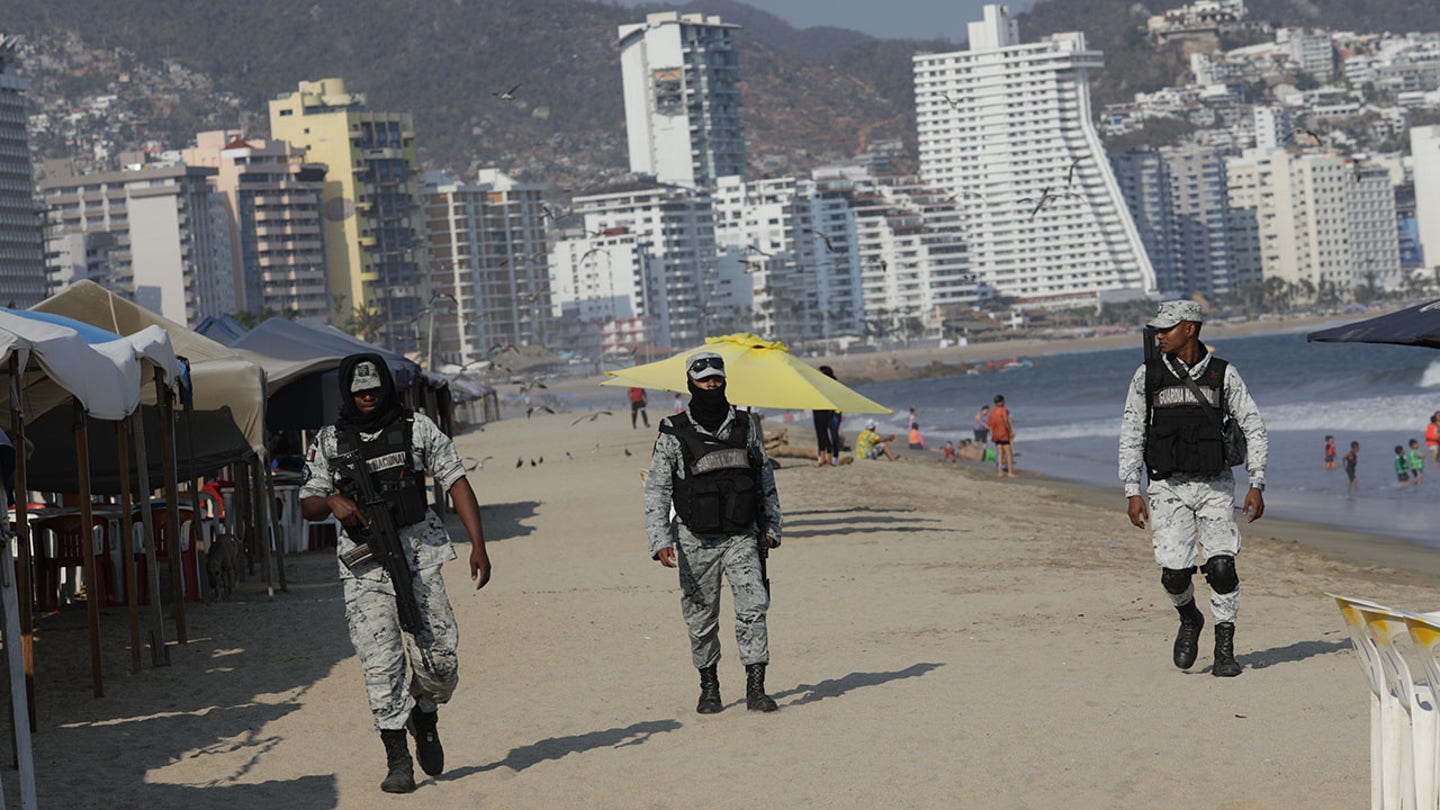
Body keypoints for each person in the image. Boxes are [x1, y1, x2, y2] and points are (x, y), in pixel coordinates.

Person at [300, 354, 491, 793]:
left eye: (373, 389)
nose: (367, 397)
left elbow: (456, 480)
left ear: (385, 387)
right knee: (380, 664)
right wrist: (331, 501)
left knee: (441, 661)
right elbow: (307, 502)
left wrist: (478, 544)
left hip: (420, 554)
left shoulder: (416, 428)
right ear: (347, 392)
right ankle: (397, 759)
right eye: (358, 391)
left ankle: (425, 714)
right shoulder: (330, 441)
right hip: (364, 567)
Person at [1119, 301, 1268, 679]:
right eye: (1156, 330)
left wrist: (1257, 482)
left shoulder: (1223, 374)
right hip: (1166, 486)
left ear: (1190, 328)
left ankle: (1224, 646)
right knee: (1175, 575)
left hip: (1215, 485)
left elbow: (1253, 425)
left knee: (1221, 566)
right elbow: (1132, 430)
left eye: (1166, 329)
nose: (1159, 336)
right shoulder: (1147, 376)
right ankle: (1190, 618)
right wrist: (1130, 488)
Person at [644, 351, 783, 715]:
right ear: (690, 382)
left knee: (753, 608)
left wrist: (772, 525)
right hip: (694, 539)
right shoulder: (673, 431)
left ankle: (756, 688)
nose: (711, 385)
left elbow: (763, 476)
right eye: (704, 380)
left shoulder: (745, 425)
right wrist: (659, 540)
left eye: (716, 380)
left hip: (742, 535)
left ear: (724, 381)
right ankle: (709, 687)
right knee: (701, 617)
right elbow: (657, 488)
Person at [812, 366, 838, 468]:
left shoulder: (830, 383)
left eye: (819, 372)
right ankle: (821, 458)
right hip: (816, 409)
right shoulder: (817, 382)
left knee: (824, 434)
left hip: (825, 410)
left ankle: (829, 458)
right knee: (819, 433)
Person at [988, 395, 1014, 477]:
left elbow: (990, 424)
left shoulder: (992, 411)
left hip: (996, 434)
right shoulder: (1003, 410)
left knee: (999, 453)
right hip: (1003, 434)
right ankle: (1010, 472)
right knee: (1007, 453)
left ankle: (1000, 472)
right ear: (1001, 401)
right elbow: (1006, 421)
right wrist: (1010, 431)